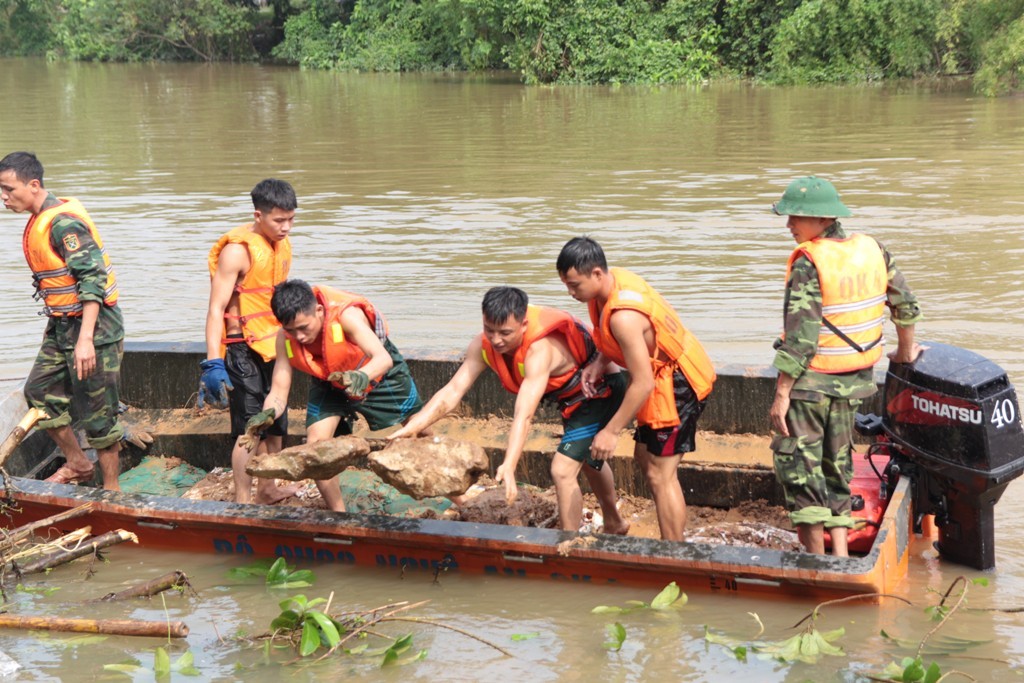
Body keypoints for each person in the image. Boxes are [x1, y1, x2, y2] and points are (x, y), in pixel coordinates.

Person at [390, 286, 631, 534]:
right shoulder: (481, 346)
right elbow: (452, 392)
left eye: (505, 333)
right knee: (589, 460)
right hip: (570, 396)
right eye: (489, 329)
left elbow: (524, 415)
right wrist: (413, 427)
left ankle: (568, 545)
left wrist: (510, 464)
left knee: (562, 470)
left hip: (599, 391)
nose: (496, 340)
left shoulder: (539, 351)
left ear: (524, 325)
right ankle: (615, 523)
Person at [768, 176, 922, 556]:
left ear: (822, 220)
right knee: (837, 467)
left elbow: (800, 339)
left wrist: (781, 394)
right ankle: (839, 556)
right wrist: (906, 353)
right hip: (853, 384)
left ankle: (818, 563)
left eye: (795, 217)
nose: (789, 225)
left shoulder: (809, 261)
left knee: (801, 470)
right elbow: (905, 305)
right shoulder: (873, 250)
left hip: (810, 385)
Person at [556, 237, 716, 541]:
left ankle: (674, 552)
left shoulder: (624, 318)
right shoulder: (612, 285)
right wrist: (600, 361)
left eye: (575, 285)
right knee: (646, 459)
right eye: (566, 285)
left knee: (660, 473)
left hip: (677, 383)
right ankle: (671, 541)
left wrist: (611, 430)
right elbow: (626, 346)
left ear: (597, 275)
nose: (571, 292)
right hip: (660, 377)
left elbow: (642, 382)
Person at [0, 151, 124, 489]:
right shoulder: (40, 218)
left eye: (8, 189)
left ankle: (112, 489)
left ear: (34, 184)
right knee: (39, 392)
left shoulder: (63, 223)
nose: (4, 197)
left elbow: (92, 281)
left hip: (95, 328)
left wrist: (85, 340)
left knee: (99, 412)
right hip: (62, 324)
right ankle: (78, 463)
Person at [253, 279, 423, 511]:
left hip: (376, 373)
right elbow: (279, 390)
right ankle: (339, 514)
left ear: (319, 311)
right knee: (316, 449)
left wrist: (360, 377)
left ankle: (460, 497)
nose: (300, 337)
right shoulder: (285, 338)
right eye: (291, 330)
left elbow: (383, 359)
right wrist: (268, 413)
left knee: (421, 430)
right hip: (329, 380)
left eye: (304, 327)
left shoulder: (347, 317)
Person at [202, 178, 297, 505]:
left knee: (278, 423)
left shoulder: (280, 245)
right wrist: (214, 361)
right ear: (258, 215)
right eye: (278, 220)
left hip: (276, 343)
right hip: (243, 348)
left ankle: (270, 488)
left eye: (291, 219)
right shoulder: (237, 252)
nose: (286, 227)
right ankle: (243, 498)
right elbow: (215, 309)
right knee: (250, 430)